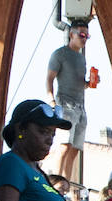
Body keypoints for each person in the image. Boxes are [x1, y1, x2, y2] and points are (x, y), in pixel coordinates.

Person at [46, 23, 90, 180]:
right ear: (72, 34)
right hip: (65, 104)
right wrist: (51, 99)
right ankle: (56, 181)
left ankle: (66, 183)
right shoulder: (60, 54)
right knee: (64, 145)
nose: (85, 39)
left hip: (80, 106)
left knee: (75, 149)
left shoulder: (81, 58)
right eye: (82, 35)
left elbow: (80, 84)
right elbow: (50, 78)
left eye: (87, 36)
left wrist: (89, 83)